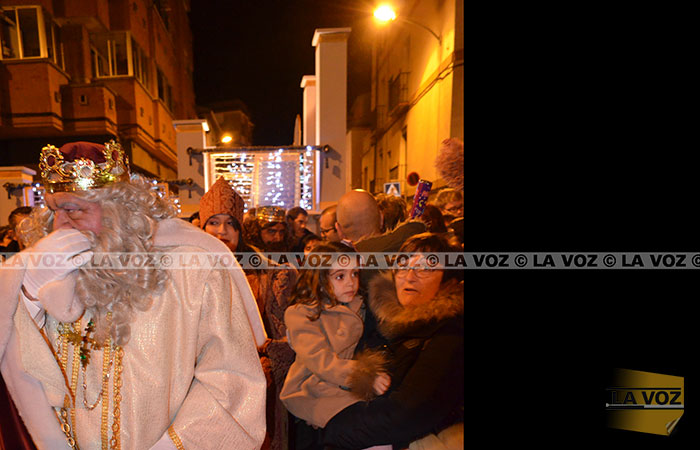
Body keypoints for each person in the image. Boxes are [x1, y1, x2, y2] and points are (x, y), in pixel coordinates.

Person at [0, 141, 267, 449]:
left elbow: (231, 382)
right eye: (53, 210)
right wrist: (29, 297)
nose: (59, 224)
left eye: (73, 210)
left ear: (119, 210)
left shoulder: (193, 270)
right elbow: (24, 382)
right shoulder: (45, 273)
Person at [322, 233, 464, 450]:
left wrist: (333, 428)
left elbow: (409, 412)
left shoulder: (450, 332)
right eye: (403, 266)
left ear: (448, 279)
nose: (409, 277)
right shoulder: (374, 317)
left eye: (425, 269)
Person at [199, 177, 297, 450]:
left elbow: (283, 339)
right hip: (204, 382)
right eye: (214, 222)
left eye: (231, 223)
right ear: (202, 227)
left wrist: (265, 361)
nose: (222, 230)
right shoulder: (187, 273)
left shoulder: (267, 275)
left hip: (255, 381)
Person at [280, 242, 389, 450]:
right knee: (372, 430)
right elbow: (321, 361)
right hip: (313, 388)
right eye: (340, 276)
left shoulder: (360, 305)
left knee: (382, 428)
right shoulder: (301, 313)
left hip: (346, 386)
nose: (350, 283)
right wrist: (365, 376)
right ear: (320, 279)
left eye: (354, 274)